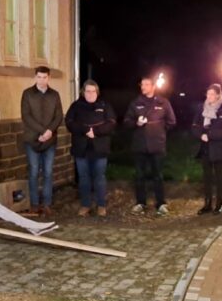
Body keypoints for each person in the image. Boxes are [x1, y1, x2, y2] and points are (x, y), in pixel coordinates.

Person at [125, 76, 177, 215]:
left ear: (153, 87)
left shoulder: (163, 102)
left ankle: (160, 203)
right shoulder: (136, 103)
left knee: (158, 175)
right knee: (140, 175)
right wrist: (136, 123)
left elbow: (171, 122)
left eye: (146, 84)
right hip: (140, 146)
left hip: (157, 146)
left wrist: (159, 130)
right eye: (142, 85)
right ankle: (140, 203)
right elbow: (126, 121)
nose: (143, 87)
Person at [65, 80, 117, 217]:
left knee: (100, 177)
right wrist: (85, 130)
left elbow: (111, 122)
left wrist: (96, 131)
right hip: (81, 148)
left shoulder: (105, 105)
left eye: (93, 91)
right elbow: (69, 122)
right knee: (83, 178)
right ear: (83, 92)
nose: (90, 94)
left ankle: (101, 205)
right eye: (87, 91)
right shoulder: (76, 106)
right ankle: (85, 205)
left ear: (97, 92)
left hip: (100, 148)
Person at [21, 66, 63, 217]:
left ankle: (46, 204)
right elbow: (26, 116)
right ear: (35, 77)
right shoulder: (27, 94)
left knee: (48, 172)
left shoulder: (54, 95)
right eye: (39, 77)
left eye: (44, 77)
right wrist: (41, 131)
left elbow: (59, 116)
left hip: (50, 140)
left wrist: (49, 131)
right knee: (33, 172)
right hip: (32, 139)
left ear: (48, 78)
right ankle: (34, 204)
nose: (42, 80)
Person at [191, 83, 222, 215]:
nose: (209, 96)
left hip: (218, 147)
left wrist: (210, 135)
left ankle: (219, 204)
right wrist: (201, 135)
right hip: (205, 147)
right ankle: (207, 204)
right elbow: (194, 125)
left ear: (218, 95)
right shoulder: (201, 108)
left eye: (212, 94)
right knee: (207, 177)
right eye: (208, 94)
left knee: (219, 177)